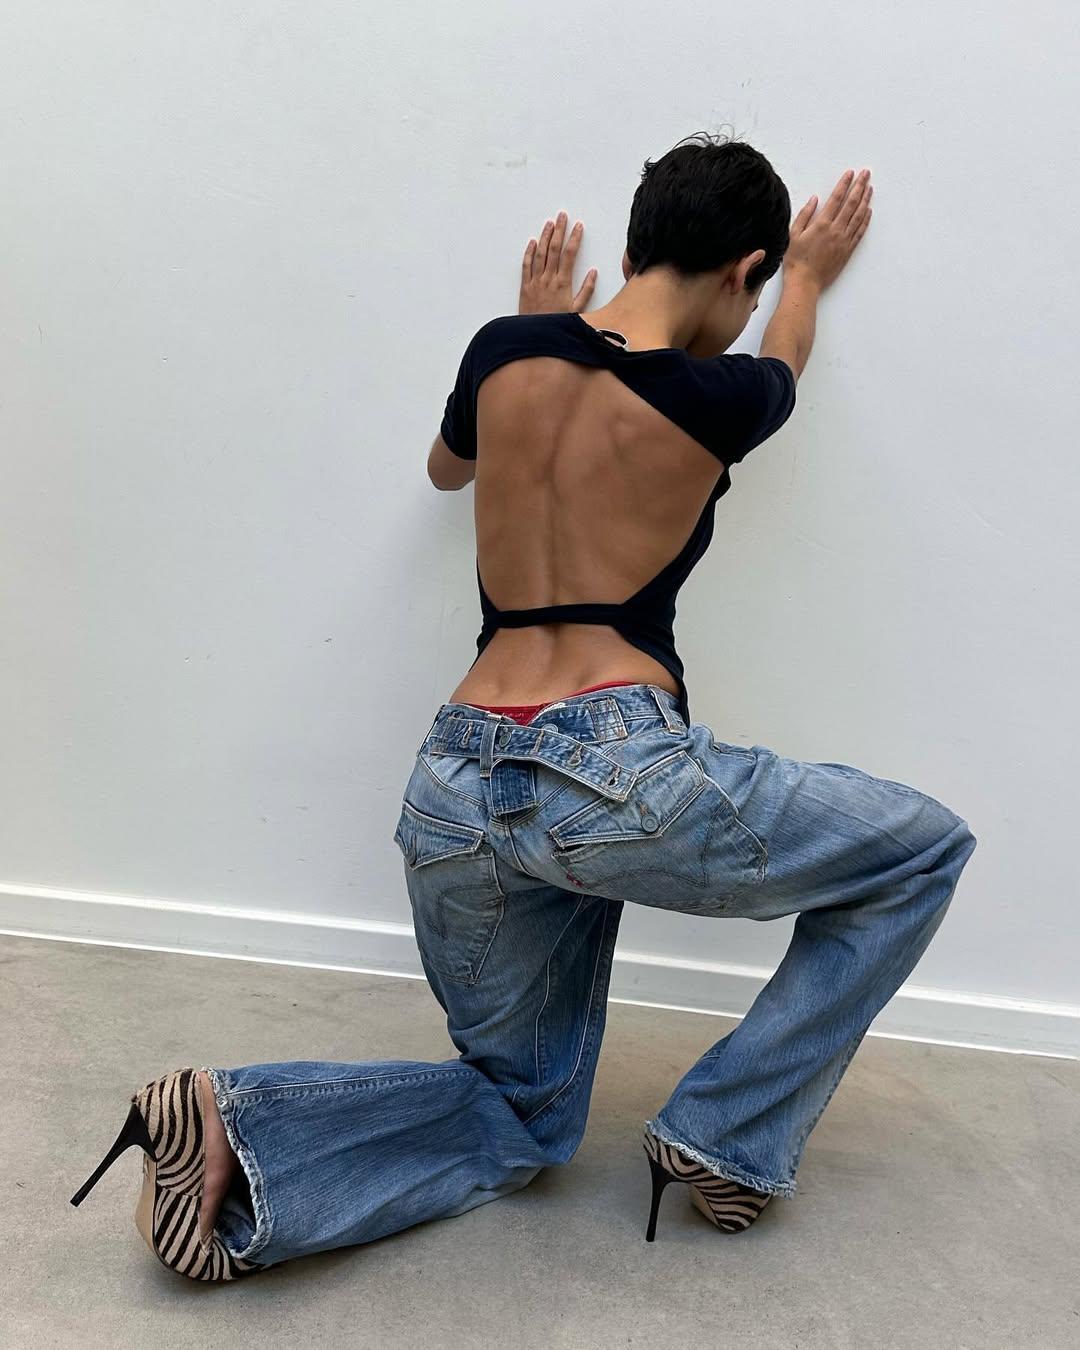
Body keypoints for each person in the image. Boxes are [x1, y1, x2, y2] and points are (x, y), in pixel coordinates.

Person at [70, 133, 976, 1278]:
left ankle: (225, 1122)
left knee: (521, 1114)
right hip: (615, 777)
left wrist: (542, 322)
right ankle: (727, 1138)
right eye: (752, 290)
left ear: (635, 246)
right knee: (922, 850)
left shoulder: (503, 352)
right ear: (740, 270)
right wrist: (805, 278)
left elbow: (447, 469)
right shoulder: (722, 395)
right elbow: (784, 363)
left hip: (452, 784)